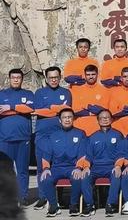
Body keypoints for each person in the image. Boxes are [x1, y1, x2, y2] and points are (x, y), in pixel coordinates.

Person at [40, 108, 91, 217]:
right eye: (64, 117)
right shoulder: (53, 135)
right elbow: (46, 154)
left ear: (73, 119)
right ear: (60, 120)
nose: (67, 120)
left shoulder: (80, 133)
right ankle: (54, 206)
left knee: (77, 177)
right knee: (45, 178)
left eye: (69, 117)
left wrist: (79, 167)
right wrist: (46, 168)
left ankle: (73, 205)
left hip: (72, 167)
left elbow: (83, 153)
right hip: (56, 168)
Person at [33, 66, 72, 209]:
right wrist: (56, 109)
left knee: (58, 165)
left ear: (60, 77)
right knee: (41, 166)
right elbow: (37, 111)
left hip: (60, 135)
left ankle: (59, 197)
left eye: (56, 77)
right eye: (50, 78)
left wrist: (49, 109)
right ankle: (43, 197)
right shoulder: (39, 93)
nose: (53, 80)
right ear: (46, 78)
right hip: (42, 135)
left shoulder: (66, 92)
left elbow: (66, 112)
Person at [0, 69, 34, 205]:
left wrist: (10, 107)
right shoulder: (2, 94)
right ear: (9, 79)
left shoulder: (28, 94)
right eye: (13, 77)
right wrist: (19, 109)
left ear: (22, 79)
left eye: (18, 77)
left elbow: (30, 109)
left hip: (23, 138)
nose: (16, 80)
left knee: (23, 170)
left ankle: (22, 197)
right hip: (5, 139)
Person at [83, 110, 125, 215]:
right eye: (102, 118)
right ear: (98, 120)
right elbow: (88, 155)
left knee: (116, 175)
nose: (105, 119)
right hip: (96, 167)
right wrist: (86, 167)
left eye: (107, 117)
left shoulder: (118, 135)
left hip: (112, 166)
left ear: (111, 119)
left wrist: (118, 166)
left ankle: (110, 204)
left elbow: (121, 153)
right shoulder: (92, 137)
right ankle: (89, 205)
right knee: (85, 177)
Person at [71, 65, 109, 136]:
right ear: (84, 75)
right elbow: (75, 111)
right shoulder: (77, 91)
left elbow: (104, 111)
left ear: (97, 74)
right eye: (88, 75)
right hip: (80, 127)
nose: (91, 77)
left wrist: (86, 108)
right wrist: (92, 112)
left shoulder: (104, 91)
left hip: (97, 128)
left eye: (93, 74)